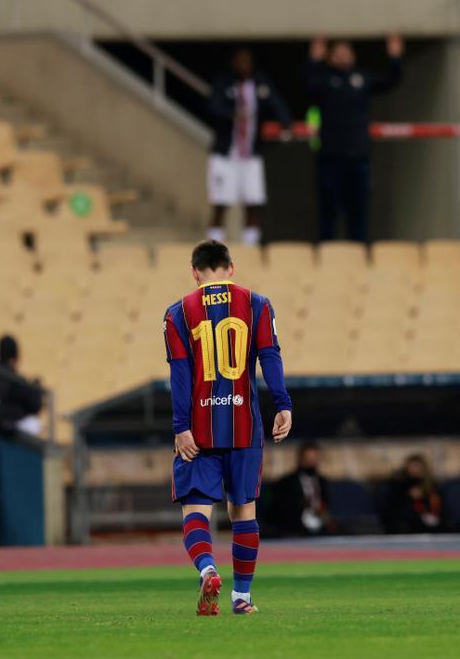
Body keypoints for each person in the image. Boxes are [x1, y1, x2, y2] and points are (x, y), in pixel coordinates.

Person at [163, 240, 292, 616]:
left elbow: (181, 374)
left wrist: (180, 426)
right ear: (231, 268)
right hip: (243, 426)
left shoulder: (177, 313)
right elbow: (270, 356)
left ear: (194, 271)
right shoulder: (257, 304)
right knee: (244, 512)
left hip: (199, 430)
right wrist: (282, 404)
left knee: (196, 513)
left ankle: (207, 569)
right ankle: (242, 597)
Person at [305, 34, 404, 243]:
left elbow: (391, 81)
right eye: (337, 53)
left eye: (346, 53)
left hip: (358, 155)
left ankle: (358, 252)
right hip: (331, 156)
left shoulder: (362, 78)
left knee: (358, 210)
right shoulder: (324, 79)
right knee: (328, 210)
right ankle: (326, 250)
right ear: (330, 57)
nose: (342, 57)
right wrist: (314, 60)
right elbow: (307, 84)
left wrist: (395, 57)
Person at [205, 48, 293, 246]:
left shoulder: (260, 83)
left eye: (248, 61)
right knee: (221, 203)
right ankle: (213, 250)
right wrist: (232, 114)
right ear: (234, 63)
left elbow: (277, 104)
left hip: (250, 155)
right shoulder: (224, 83)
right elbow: (213, 107)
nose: (244, 65)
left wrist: (286, 122)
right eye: (240, 61)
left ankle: (250, 247)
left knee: (252, 203)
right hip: (226, 155)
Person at [0, 334, 44, 438]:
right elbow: (35, 405)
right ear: (14, 358)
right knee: (34, 424)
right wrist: (36, 387)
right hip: (4, 423)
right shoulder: (12, 377)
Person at [271, 442, 334, 537]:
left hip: (320, 528)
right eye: (308, 458)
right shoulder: (287, 482)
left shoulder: (322, 481)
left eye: (314, 458)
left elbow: (327, 505)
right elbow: (279, 508)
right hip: (294, 529)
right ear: (300, 458)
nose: (311, 462)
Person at [381, 453, 444, 534]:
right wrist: (408, 497)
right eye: (411, 466)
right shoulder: (399, 485)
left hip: (428, 528)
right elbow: (392, 510)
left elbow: (437, 507)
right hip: (405, 527)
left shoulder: (431, 487)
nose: (414, 469)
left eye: (417, 466)